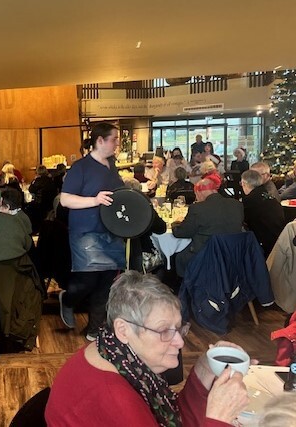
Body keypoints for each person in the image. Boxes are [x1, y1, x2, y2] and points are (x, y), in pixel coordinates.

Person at [45, 271, 249, 426]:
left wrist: (203, 372)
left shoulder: (115, 353)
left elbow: (174, 415)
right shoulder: (116, 398)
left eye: (178, 328)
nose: (179, 342)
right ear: (123, 330)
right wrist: (219, 418)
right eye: (163, 331)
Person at [58, 122, 126, 340]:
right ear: (100, 141)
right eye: (114, 139)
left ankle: (95, 329)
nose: (117, 143)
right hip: (86, 232)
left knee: (106, 281)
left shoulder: (111, 165)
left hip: (111, 231)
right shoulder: (81, 168)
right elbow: (65, 200)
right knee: (88, 280)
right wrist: (94, 200)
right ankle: (68, 299)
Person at [172, 178, 244, 276]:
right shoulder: (237, 205)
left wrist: (174, 224)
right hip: (233, 253)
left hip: (204, 255)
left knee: (178, 257)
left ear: (199, 193)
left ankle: (185, 287)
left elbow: (181, 233)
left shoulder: (197, 208)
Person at [241, 169, 285, 257]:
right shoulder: (267, 194)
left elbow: (242, 220)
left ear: (244, 184)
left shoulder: (250, 201)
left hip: (264, 246)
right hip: (280, 239)